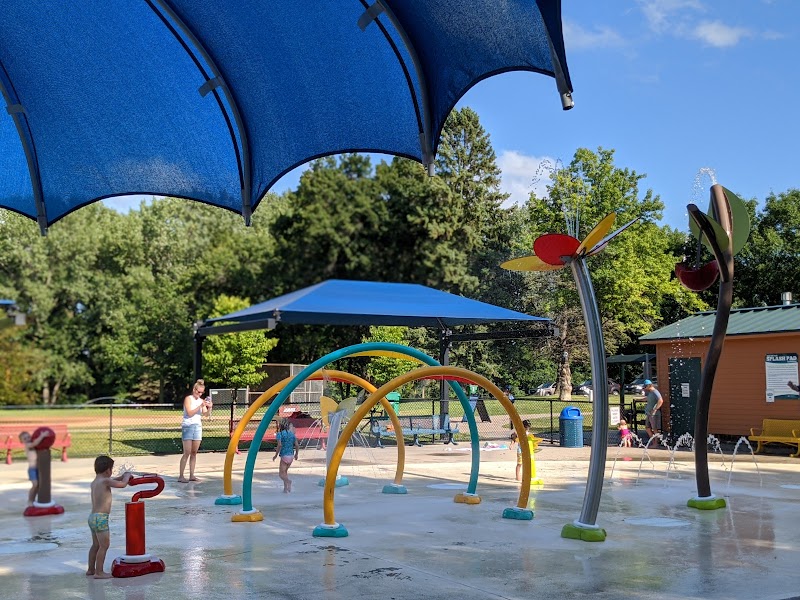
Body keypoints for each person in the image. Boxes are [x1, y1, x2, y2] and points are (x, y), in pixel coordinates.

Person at [87, 455, 133, 579]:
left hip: (92, 517)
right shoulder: (106, 481)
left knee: (95, 545)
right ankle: (99, 572)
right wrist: (127, 476)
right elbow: (122, 485)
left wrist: (122, 477)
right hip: (101, 518)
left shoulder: (96, 481)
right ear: (108, 470)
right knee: (104, 545)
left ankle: (91, 569)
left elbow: (115, 481)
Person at [178, 379, 212, 483]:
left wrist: (209, 407)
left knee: (194, 452)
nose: (200, 394)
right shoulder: (188, 399)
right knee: (187, 452)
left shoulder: (201, 401)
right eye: (198, 391)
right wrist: (200, 406)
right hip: (188, 426)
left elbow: (205, 414)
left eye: (202, 392)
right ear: (194, 389)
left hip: (197, 426)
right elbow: (189, 413)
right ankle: (181, 476)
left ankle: (192, 475)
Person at [18, 430, 47, 506]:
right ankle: (30, 501)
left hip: (39, 469)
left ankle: (34, 500)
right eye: (25, 438)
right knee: (35, 485)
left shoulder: (33, 446)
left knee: (38, 486)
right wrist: (42, 435)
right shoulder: (28, 445)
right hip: (32, 470)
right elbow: (35, 443)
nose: (27, 439)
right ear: (22, 442)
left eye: (28, 437)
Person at [273, 417, 299, 493]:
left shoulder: (279, 434)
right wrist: (296, 454)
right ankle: (286, 489)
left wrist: (275, 455)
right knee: (285, 472)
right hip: (291, 456)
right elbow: (297, 445)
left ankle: (288, 481)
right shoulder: (292, 434)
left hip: (284, 456)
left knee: (281, 474)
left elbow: (279, 445)